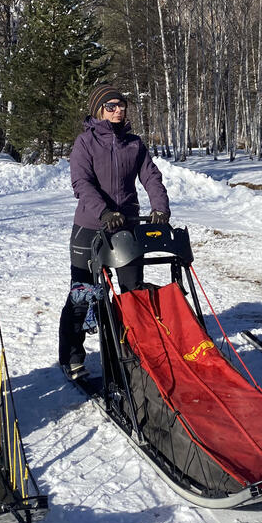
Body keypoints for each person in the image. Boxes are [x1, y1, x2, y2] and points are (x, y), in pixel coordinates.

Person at [59, 83, 171, 377]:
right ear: (99, 110)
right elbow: (81, 183)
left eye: (121, 105)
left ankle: (132, 349)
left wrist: (160, 206)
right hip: (90, 226)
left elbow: (151, 176)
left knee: (133, 291)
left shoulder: (134, 144)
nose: (118, 110)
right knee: (83, 294)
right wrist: (104, 212)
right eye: (111, 106)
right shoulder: (85, 143)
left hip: (127, 227)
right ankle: (72, 356)